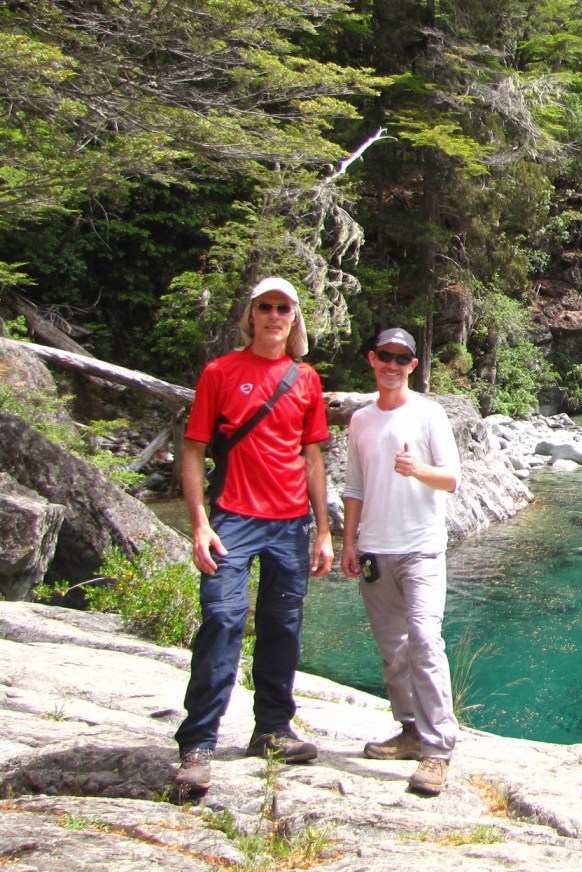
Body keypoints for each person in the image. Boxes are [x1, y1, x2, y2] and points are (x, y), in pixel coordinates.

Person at [173, 276, 333, 797]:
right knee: (222, 618)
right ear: (251, 316)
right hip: (232, 517)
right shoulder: (221, 372)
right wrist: (198, 522)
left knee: (283, 626)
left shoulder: (306, 379)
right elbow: (194, 449)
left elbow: (312, 457)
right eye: (264, 307)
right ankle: (198, 741)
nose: (273, 315)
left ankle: (271, 729)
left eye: (282, 308)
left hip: (290, 523)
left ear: (294, 319)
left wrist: (324, 531)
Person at [340, 326, 461, 796]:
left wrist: (417, 470)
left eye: (402, 359)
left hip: (422, 548)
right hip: (374, 549)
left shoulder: (429, 415)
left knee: (426, 642)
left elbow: (451, 480)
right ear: (372, 360)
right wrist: (348, 543)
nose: (392, 365)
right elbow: (354, 487)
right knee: (393, 650)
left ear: (414, 365)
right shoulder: (361, 421)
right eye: (385, 357)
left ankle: (437, 748)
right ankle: (409, 728)